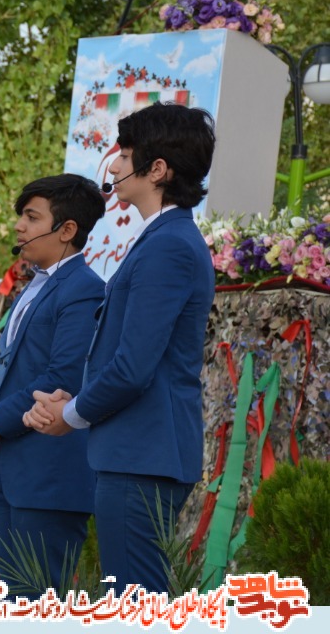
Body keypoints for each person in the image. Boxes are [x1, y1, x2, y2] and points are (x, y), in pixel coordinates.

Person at [23, 102, 216, 594]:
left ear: (157, 169)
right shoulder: (162, 239)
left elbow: (133, 366)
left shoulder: (168, 244)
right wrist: (75, 401)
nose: (112, 165)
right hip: (137, 451)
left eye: (125, 154)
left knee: (134, 606)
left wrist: (70, 414)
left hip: (142, 455)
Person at [0, 174, 105, 596]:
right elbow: (7, 365)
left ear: (67, 229)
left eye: (32, 217)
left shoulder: (85, 290)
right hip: (13, 467)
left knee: (35, 604)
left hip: (49, 475)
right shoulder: (35, 286)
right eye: (21, 216)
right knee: (14, 602)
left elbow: (62, 377)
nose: (19, 226)